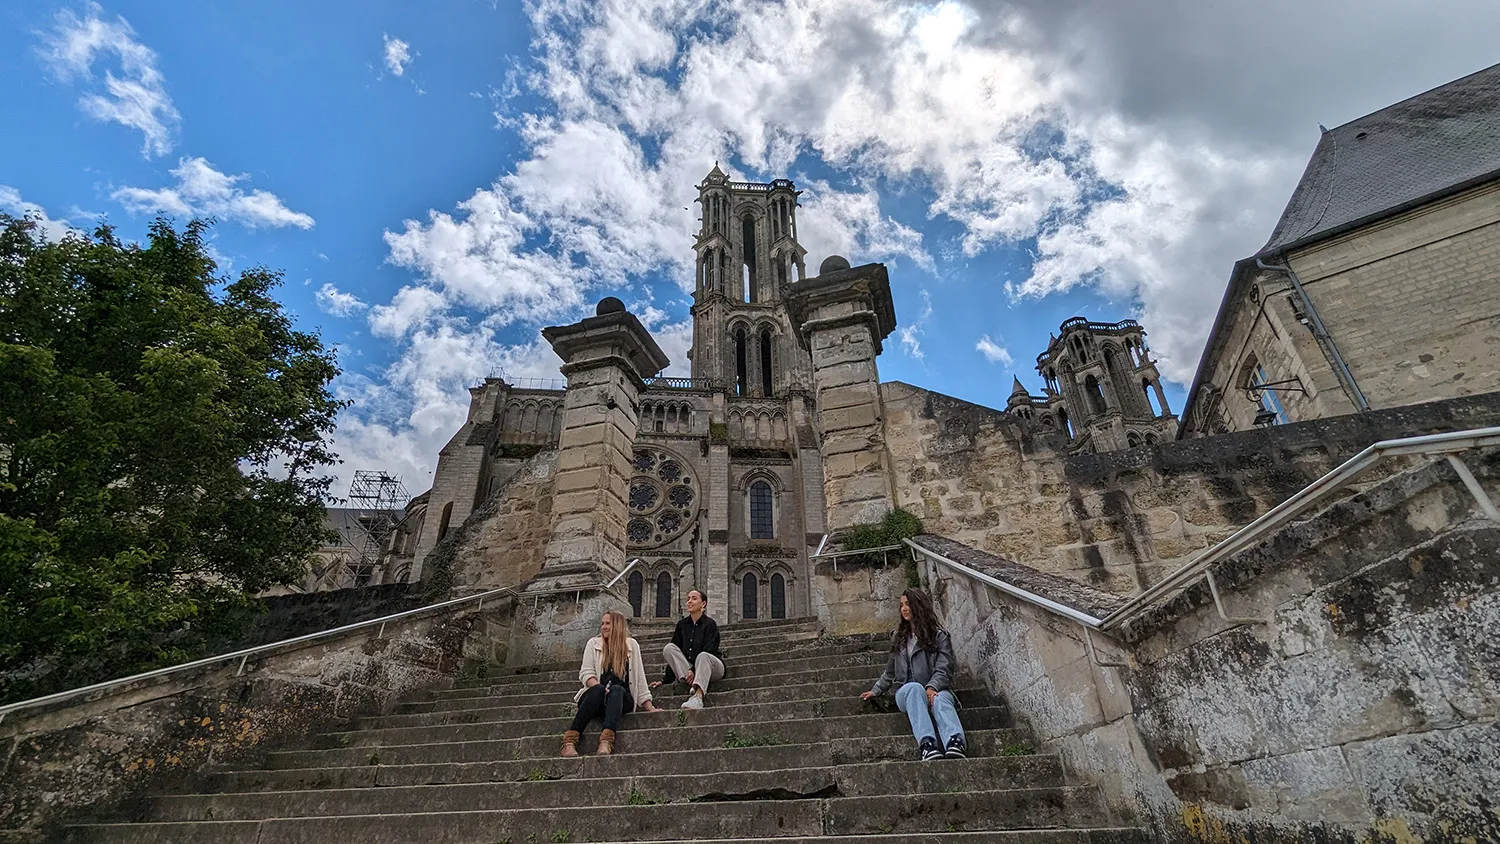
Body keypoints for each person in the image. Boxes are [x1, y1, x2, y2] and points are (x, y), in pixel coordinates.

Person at [860, 588, 967, 761]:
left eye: (908, 604)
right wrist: (876, 690)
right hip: (907, 692)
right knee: (914, 688)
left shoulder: (939, 636)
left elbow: (944, 667)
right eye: (901, 605)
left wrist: (932, 687)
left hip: (936, 688)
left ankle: (955, 742)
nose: (904, 609)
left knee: (941, 699)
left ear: (919, 606)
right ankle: (927, 744)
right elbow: (890, 671)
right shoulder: (898, 637)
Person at [562, 610, 657, 757]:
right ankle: (569, 742)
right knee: (599, 689)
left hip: (619, 700)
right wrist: (599, 688)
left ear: (617, 626)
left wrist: (649, 707)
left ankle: (606, 741)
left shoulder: (632, 645)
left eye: (607, 624)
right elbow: (586, 673)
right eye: (602, 623)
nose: (603, 627)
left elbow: (640, 679)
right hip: (596, 698)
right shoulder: (593, 644)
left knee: (617, 690)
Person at [654, 588, 724, 709]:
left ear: (703, 604)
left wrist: (694, 670)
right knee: (669, 648)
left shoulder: (710, 624)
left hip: (712, 667)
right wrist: (665, 680)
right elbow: (676, 651)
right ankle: (688, 679)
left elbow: (710, 649)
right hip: (689, 669)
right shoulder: (682, 625)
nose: (689, 602)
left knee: (703, 656)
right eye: (688, 599)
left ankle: (698, 696)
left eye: (694, 598)